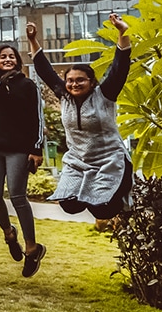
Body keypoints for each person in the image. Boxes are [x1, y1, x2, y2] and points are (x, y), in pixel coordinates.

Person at [26, 14, 133, 220]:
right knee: (69, 206)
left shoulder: (105, 94)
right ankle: (93, 192)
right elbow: (44, 70)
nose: (74, 84)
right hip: (78, 161)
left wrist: (122, 32)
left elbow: (120, 67)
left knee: (104, 210)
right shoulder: (64, 96)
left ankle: (122, 188)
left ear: (92, 82)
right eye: (70, 80)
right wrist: (32, 40)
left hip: (108, 160)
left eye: (80, 80)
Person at [0, 44, 46, 277]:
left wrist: (36, 149)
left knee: (17, 195)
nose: (7, 59)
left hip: (19, 149)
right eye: (3, 56)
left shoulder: (27, 85)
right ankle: (8, 233)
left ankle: (32, 247)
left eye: (12, 56)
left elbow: (38, 117)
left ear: (18, 61)